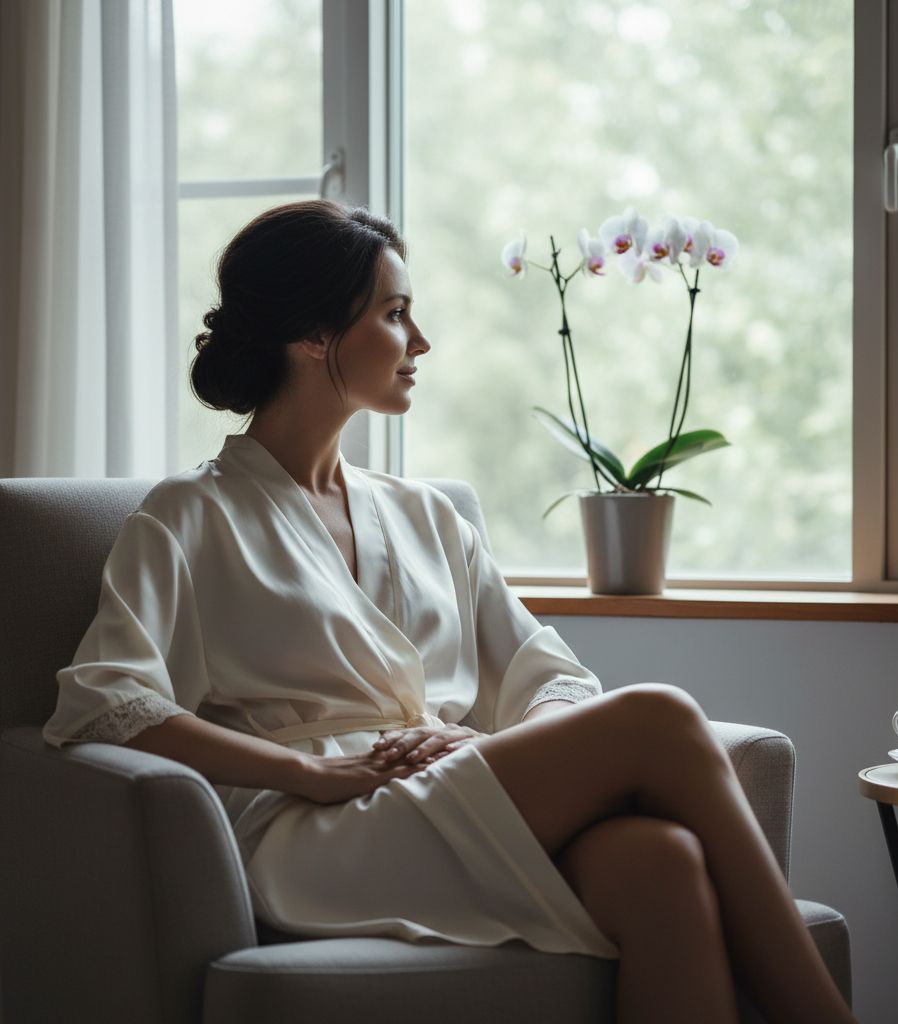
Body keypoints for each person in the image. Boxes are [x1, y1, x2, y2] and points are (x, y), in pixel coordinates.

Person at [43, 199, 855, 1024]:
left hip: (446, 793)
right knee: (659, 718)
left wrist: (483, 739)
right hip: (318, 838)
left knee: (664, 863)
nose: (420, 342)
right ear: (312, 336)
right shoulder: (190, 516)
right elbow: (107, 703)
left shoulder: (428, 515)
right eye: (395, 315)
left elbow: (554, 677)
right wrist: (306, 771)